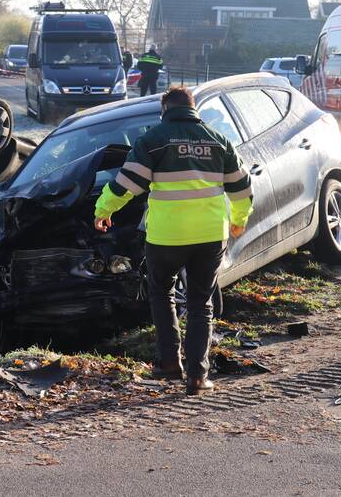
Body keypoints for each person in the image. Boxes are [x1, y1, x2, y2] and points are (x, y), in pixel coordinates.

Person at [92, 87, 252, 395]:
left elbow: (126, 185)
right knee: (200, 302)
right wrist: (238, 221)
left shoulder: (153, 140)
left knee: (161, 294)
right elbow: (243, 189)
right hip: (209, 236)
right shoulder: (218, 141)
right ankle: (197, 377)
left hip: (166, 237)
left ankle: (168, 362)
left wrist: (103, 210)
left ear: (164, 109)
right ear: (194, 109)